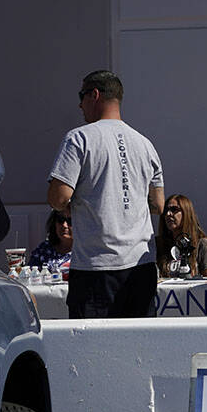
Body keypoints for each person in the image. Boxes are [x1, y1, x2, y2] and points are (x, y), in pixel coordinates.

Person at [46, 70, 165, 318]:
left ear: (95, 95)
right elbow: (157, 204)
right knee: (139, 348)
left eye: (82, 96)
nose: (79, 104)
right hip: (140, 267)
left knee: (92, 352)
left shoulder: (79, 138)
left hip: (95, 267)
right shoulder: (145, 144)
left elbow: (58, 198)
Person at [157, 194, 207, 278]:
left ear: (186, 213)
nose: (168, 214)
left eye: (174, 209)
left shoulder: (203, 243)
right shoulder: (158, 244)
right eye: (165, 210)